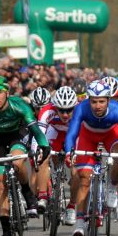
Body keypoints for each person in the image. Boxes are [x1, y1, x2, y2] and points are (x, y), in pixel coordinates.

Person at [0, 75, 51, 236]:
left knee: (17, 163)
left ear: (7, 93)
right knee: (0, 183)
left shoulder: (19, 105)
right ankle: (6, 232)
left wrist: (44, 144)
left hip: (18, 134)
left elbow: (35, 129)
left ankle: (27, 192)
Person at [64, 79, 118, 236]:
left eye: (102, 101)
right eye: (94, 101)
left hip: (111, 135)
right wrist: (69, 153)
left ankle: (112, 186)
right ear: (89, 100)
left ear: (109, 100)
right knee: (84, 179)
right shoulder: (81, 108)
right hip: (88, 136)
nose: (97, 106)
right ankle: (80, 222)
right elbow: (72, 134)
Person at [35, 86, 79, 225]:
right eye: (61, 110)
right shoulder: (47, 110)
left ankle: (71, 206)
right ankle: (43, 195)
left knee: (77, 169)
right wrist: (37, 151)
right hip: (55, 132)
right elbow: (39, 135)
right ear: (55, 107)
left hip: (73, 134)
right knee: (43, 155)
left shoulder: (81, 111)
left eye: (68, 110)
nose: (65, 114)